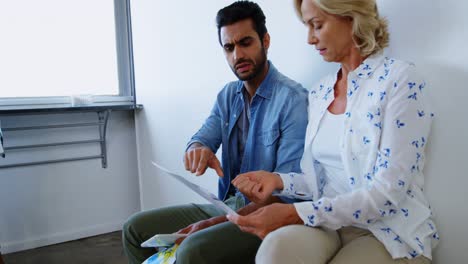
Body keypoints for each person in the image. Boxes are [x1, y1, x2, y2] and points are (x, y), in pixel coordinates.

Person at [228, 0, 439, 263]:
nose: (309, 38)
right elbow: (319, 181)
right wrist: (277, 181)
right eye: (307, 26)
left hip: (387, 232)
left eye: (317, 25)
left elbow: (386, 194)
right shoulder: (320, 92)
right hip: (328, 225)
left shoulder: (400, 80)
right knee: (275, 251)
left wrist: (296, 212)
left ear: (351, 18)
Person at [122, 1, 309, 263]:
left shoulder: (293, 99)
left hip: (267, 213)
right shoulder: (227, 95)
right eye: (229, 48)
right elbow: (201, 138)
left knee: (192, 248)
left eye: (246, 43)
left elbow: (285, 194)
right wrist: (197, 149)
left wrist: (214, 222)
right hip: (228, 204)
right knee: (135, 228)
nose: (237, 56)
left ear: (265, 41)